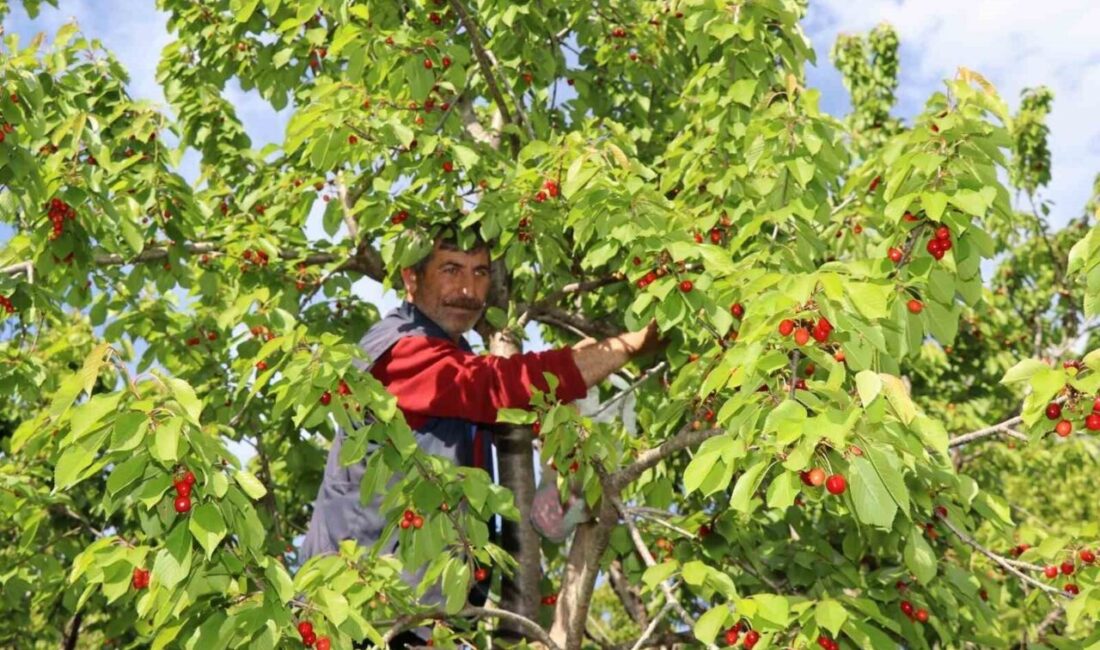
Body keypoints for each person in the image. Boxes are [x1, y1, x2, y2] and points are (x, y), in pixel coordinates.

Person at [301, 232, 662, 648]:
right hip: (368, 614)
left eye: (480, 273)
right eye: (450, 270)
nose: (468, 290)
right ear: (411, 279)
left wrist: (566, 440)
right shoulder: (400, 351)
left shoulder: (454, 353)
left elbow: (505, 400)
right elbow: (494, 386)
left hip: (430, 615)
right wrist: (624, 347)